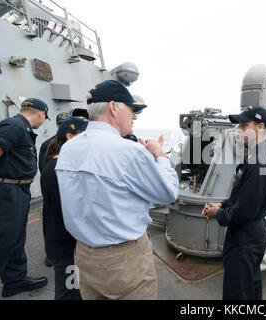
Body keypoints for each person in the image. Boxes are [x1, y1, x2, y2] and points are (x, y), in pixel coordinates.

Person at [55, 80, 179, 300]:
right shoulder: (129, 151)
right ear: (114, 107)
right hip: (124, 262)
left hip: (84, 256)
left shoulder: (68, 149)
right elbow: (168, 194)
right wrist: (160, 156)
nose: (135, 116)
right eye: (131, 109)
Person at [202, 106, 266, 300]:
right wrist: (223, 204)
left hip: (245, 237)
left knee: (237, 292)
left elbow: (245, 211)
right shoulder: (257, 155)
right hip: (250, 232)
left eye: (244, 125)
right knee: (249, 286)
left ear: (260, 127)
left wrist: (217, 214)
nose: (239, 130)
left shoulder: (260, 162)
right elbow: (244, 196)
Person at [0, 98, 50, 298]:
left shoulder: (22, 128)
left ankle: (14, 280)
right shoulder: (14, 126)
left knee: (16, 238)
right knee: (4, 238)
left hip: (18, 192)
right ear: (41, 114)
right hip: (7, 193)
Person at [40, 117, 88, 300]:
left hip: (66, 244)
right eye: (85, 136)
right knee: (69, 293)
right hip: (66, 248)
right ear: (70, 137)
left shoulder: (59, 165)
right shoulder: (57, 169)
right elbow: (69, 210)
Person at [38, 111, 71, 268]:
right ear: (57, 125)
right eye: (60, 124)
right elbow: (43, 167)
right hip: (54, 188)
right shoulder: (48, 144)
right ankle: (51, 254)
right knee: (51, 223)